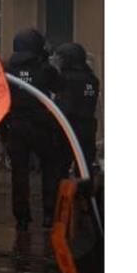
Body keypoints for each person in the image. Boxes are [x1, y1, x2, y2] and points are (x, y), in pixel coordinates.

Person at [2, 28, 64, 231]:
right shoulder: (44, 68)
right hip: (41, 126)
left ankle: (21, 217)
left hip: (16, 126)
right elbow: (59, 87)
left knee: (19, 173)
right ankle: (48, 213)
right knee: (50, 168)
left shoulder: (7, 69)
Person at [52, 42, 100, 175]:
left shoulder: (65, 79)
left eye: (60, 58)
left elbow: (65, 107)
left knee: (60, 168)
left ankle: (62, 194)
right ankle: (84, 194)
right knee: (85, 167)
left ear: (68, 59)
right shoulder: (92, 79)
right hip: (88, 128)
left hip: (68, 128)